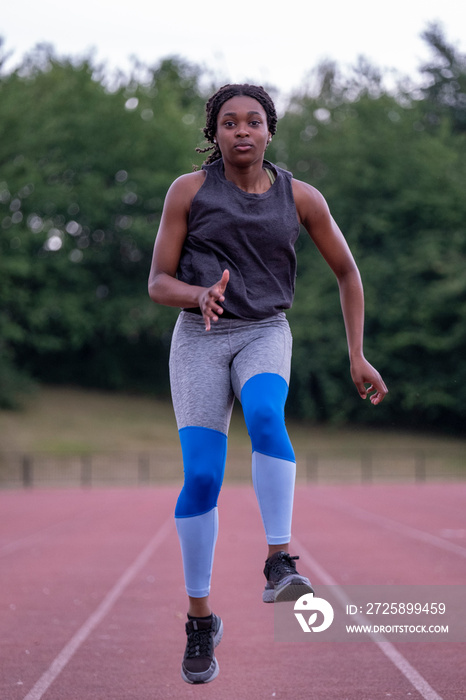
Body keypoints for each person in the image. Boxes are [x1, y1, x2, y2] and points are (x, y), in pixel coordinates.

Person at [148, 83, 388, 684]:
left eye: (253, 121)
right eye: (229, 123)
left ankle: (280, 561)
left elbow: (347, 272)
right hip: (198, 338)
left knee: (264, 414)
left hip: (264, 331)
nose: (242, 131)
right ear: (216, 135)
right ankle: (201, 620)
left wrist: (357, 354)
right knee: (201, 476)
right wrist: (198, 293)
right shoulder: (189, 191)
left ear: (270, 131)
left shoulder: (301, 198)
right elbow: (156, 281)